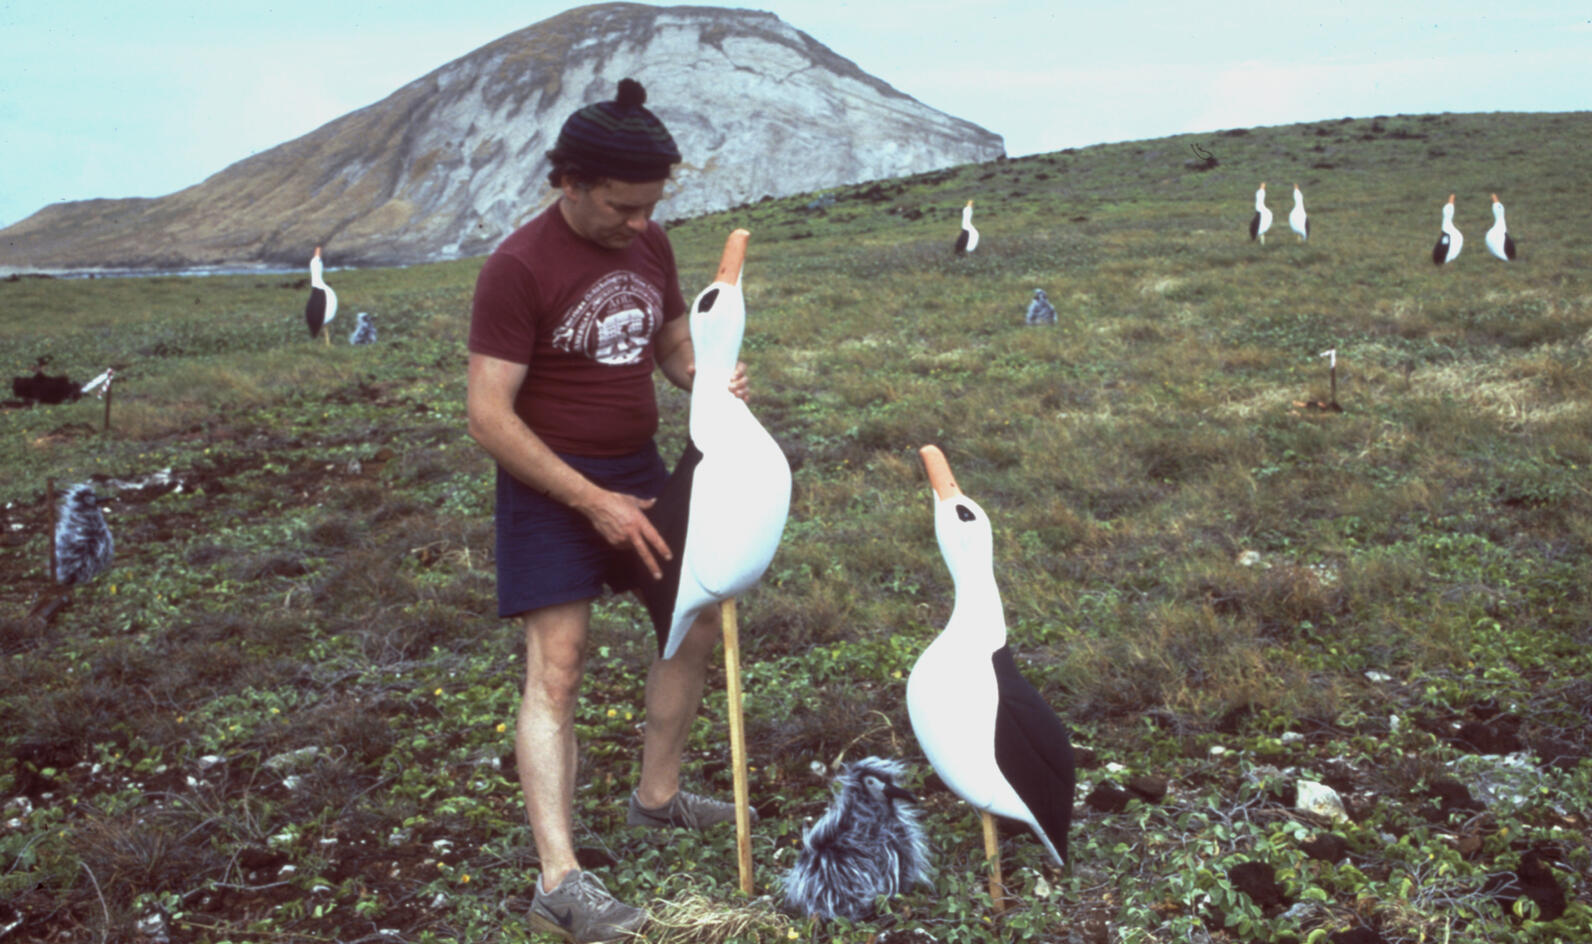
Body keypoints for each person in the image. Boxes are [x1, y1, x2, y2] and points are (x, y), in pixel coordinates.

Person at [466, 78, 754, 943]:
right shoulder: (518, 268)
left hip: (639, 465)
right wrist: (591, 502)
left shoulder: (649, 242)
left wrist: (703, 379)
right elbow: (489, 416)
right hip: (553, 485)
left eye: (650, 208)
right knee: (559, 664)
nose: (639, 224)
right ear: (572, 182)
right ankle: (559, 881)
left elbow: (666, 342)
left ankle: (656, 799)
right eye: (623, 208)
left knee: (692, 619)